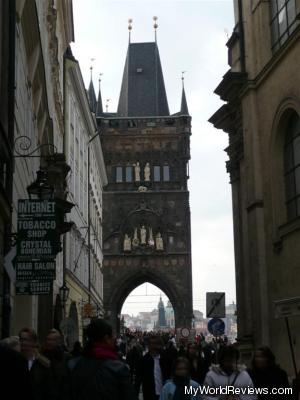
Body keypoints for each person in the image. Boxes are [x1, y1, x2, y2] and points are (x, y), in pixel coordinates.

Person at [69, 318, 137, 400]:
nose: (115, 338)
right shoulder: (119, 368)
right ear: (106, 338)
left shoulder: (73, 364)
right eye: (113, 335)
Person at [19, 327, 54, 400]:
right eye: (21, 339)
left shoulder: (42, 364)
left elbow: (48, 391)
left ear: (34, 342)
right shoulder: (15, 361)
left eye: (26, 340)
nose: (23, 343)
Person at [136, 335, 170, 400]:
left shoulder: (165, 359)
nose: (153, 346)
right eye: (151, 344)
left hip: (164, 394)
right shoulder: (143, 361)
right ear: (148, 345)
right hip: (149, 394)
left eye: (155, 344)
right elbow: (138, 379)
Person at [42, 328, 70, 400]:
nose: (48, 342)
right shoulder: (41, 356)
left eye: (52, 340)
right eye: (47, 339)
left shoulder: (66, 358)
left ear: (58, 341)